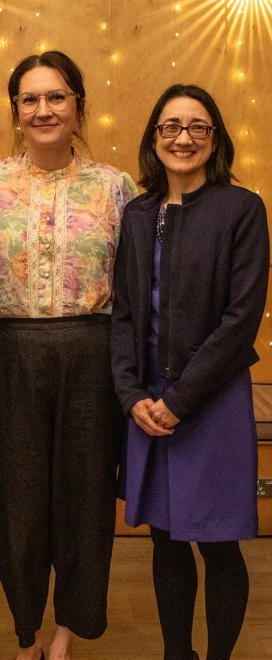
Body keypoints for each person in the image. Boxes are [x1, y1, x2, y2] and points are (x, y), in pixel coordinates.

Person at [0, 51, 138, 659]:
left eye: (57, 97)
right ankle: (26, 629)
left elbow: (139, 289)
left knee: (86, 499)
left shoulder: (115, 187)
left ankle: (69, 629)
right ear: (15, 111)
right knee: (15, 497)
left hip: (93, 354)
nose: (43, 110)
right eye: (30, 99)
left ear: (78, 105)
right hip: (12, 354)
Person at [111, 84, 268, 660]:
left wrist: (178, 400)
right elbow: (124, 314)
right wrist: (131, 395)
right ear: (154, 138)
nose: (183, 137)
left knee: (218, 544)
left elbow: (240, 319)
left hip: (210, 401)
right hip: (146, 403)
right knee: (164, 540)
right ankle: (177, 654)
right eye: (170, 126)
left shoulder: (242, 209)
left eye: (198, 126)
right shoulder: (136, 213)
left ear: (215, 138)